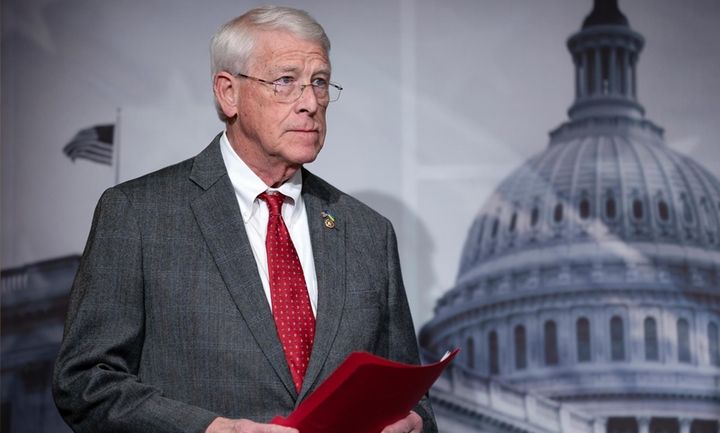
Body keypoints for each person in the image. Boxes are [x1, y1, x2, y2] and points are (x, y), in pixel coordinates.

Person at [52, 6, 436, 433]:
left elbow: (410, 390)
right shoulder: (139, 214)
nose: (310, 103)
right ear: (228, 93)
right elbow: (85, 382)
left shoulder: (367, 231)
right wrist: (215, 430)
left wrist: (416, 424)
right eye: (286, 81)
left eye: (320, 82)